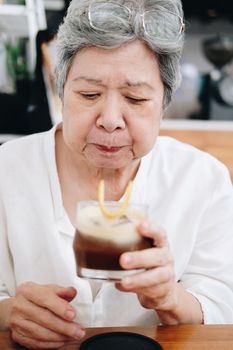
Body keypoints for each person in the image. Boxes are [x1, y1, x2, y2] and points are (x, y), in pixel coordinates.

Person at [0, 0, 233, 348]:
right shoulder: (8, 170)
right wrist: (8, 313)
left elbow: (222, 307)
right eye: (89, 94)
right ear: (60, 91)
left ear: (163, 103)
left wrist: (169, 297)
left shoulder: (201, 179)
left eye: (136, 99)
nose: (110, 119)